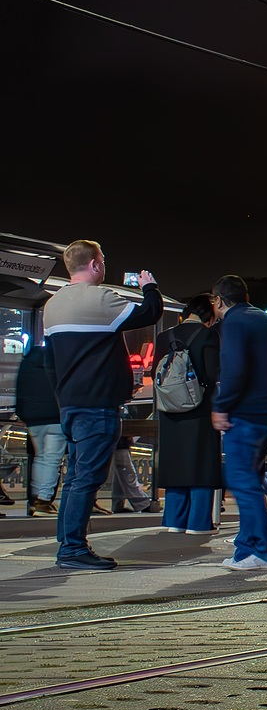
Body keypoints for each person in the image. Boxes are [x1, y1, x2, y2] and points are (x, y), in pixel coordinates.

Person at [43, 240, 165, 570]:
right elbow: (150, 313)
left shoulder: (52, 305)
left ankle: (67, 542)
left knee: (75, 478)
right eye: (103, 260)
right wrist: (148, 286)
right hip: (98, 404)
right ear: (95, 265)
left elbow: (50, 363)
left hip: (70, 404)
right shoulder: (102, 299)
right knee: (86, 479)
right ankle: (72, 549)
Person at [209, 275, 267, 572]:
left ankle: (263, 551)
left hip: (248, 414)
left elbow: (234, 369)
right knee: (251, 476)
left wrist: (221, 406)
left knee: (243, 481)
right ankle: (244, 549)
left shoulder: (232, 323)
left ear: (219, 301)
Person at [153, 294, 223, 534]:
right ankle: (198, 523)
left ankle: (174, 519)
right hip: (200, 410)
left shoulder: (164, 337)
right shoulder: (208, 335)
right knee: (201, 464)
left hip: (169, 410)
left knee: (175, 464)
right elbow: (215, 375)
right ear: (209, 316)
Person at [15, 336, 63, 515]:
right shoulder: (57, 364)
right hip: (55, 418)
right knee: (52, 458)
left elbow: (21, 391)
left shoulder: (27, 363)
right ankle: (43, 499)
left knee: (40, 457)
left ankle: (35, 497)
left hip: (33, 420)